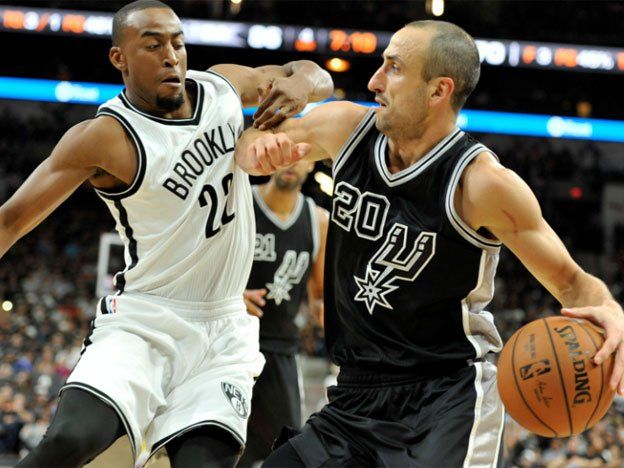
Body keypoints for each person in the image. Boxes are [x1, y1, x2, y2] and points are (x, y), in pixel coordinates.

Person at [234, 20, 624, 467]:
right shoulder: (345, 127)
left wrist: (611, 311)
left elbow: (572, 282)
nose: (374, 81)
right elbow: (253, 141)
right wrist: (256, 151)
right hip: (355, 394)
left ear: (439, 90)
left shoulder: (482, 184)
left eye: (394, 68)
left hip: (444, 403)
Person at [0, 1, 333, 466]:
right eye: (153, 45)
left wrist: (301, 84)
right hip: (146, 320)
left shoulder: (221, 88)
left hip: (223, 329)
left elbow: (316, 75)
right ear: (119, 58)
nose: (171, 56)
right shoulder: (104, 137)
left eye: (177, 43)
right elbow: (11, 221)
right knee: (71, 439)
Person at [239, 160, 328, 466]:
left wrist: (329, 313)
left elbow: (319, 295)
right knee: (219, 445)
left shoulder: (318, 221)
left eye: (300, 155)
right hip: (229, 342)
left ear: (311, 163)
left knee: (286, 452)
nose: (291, 162)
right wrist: (231, 296)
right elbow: (204, 268)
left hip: (281, 349)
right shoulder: (240, 201)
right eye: (286, 151)